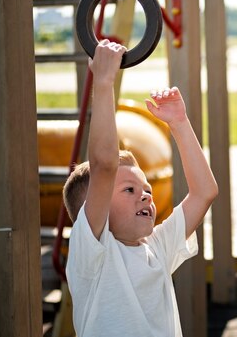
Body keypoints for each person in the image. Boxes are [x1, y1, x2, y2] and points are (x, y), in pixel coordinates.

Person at [62, 39, 218, 337]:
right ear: (93, 209)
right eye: (129, 190)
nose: (146, 194)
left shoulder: (156, 247)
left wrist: (180, 124)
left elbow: (203, 193)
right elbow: (104, 165)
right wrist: (104, 83)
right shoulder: (94, 253)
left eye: (145, 188)